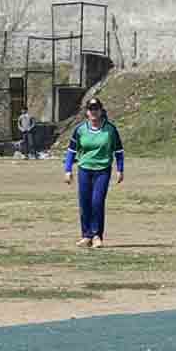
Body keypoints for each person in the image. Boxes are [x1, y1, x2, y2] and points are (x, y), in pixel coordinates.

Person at [63, 98, 124, 248]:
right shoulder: (80, 129)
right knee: (85, 203)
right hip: (84, 169)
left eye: (96, 108)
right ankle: (86, 235)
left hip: (102, 170)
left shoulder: (110, 129)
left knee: (97, 202)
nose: (93, 112)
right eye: (91, 109)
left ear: (101, 111)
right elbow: (71, 150)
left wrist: (120, 169)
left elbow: (118, 150)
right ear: (87, 112)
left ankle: (97, 235)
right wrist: (68, 169)